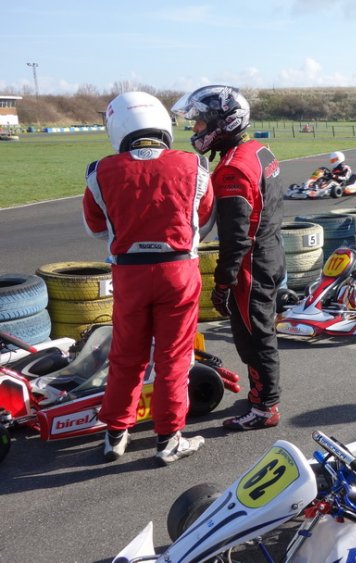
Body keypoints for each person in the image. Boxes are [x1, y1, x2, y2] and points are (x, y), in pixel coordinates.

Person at [82, 91, 215, 465]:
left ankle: (114, 434)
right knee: (175, 356)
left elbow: (95, 228)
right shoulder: (195, 165)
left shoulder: (99, 171)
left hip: (128, 272)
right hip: (179, 272)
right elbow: (205, 220)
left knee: (126, 354)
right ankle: (169, 438)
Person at [173, 85, 285, 430]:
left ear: (224, 123)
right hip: (271, 250)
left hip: (252, 263)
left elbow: (236, 241)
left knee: (254, 336)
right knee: (259, 331)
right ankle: (261, 394)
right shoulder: (259, 150)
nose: (196, 129)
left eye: (201, 122)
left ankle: (265, 406)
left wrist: (223, 283)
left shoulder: (233, 169)